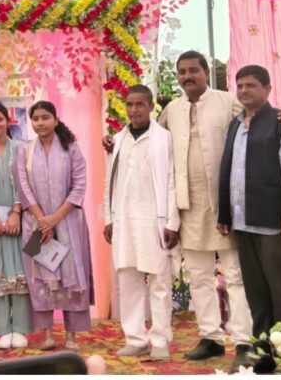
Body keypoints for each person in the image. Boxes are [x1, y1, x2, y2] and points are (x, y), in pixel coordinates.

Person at [155, 52, 254, 366]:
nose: (187, 76)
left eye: (193, 70)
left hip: (224, 205)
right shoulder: (172, 109)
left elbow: (256, 116)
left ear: (206, 72)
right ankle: (211, 337)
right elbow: (153, 141)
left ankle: (244, 341)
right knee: (198, 276)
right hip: (189, 206)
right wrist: (115, 142)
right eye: (182, 72)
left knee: (235, 275)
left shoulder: (227, 102)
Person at [103, 85, 179, 361]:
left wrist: (172, 222)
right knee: (128, 280)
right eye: (129, 104)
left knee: (159, 283)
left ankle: (160, 340)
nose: (134, 110)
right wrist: (108, 218)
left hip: (154, 221)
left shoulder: (164, 139)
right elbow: (109, 181)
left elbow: (171, 181)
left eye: (139, 104)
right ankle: (135, 338)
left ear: (150, 106)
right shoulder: (117, 139)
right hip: (123, 220)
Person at [16, 101, 93, 353]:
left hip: (69, 224)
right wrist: (42, 220)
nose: (40, 122)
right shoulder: (24, 151)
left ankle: (72, 335)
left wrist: (55, 218)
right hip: (36, 225)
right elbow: (23, 188)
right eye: (36, 118)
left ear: (56, 120)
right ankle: (46, 334)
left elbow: (79, 186)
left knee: (72, 279)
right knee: (40, 279)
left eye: (45, 117)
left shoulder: (71, 148)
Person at [218, 65, 281, 338]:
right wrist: (225, 214)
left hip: (272, 222)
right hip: (242, 223)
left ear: (267, 89)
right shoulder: (235, 124)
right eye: (240, 86)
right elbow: (228, 169)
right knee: (255, 292)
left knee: (280, 290)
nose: (244, 90)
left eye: (251, 85)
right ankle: (263, 347)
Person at [0, 101, 30, 350]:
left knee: (21, 269)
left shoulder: (21, 149)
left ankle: (20, 328)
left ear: (8, 120)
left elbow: (25, 183)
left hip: (18, 220)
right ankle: (1, 330)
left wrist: (16, 213)